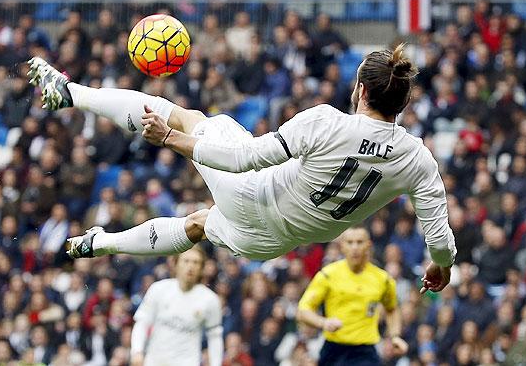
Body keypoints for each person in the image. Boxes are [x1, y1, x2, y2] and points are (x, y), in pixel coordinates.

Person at [27, 43, 456, 294]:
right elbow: (440, 242)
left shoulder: (327, 121)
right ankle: (101, 244)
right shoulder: (417, 159)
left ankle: (70, 93)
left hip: (251, 193)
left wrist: (174, 140)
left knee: (187, 118)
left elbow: (245, 159)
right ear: (404, 103)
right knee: (196, 224)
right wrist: (441, 267)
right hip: (271, 243)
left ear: (360, 89)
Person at [296, 226, 408, 365]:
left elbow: (392, 308)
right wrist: (323, 322)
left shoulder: (382, 279)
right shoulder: (328, 275)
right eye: (350, 242)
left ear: (368, 245)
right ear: (342, 246)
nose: (355, 247)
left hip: (364, 352)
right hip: (333, 349)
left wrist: (395, 336)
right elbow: (303, 311)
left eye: (360, 242)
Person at [130, 246, 223, 366]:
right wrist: (137, 352)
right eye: (186, 261)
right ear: (176, 263)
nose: (191, 266)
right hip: (154, 361)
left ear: (202, 268)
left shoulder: (210, 300)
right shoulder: (158, 289)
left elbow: (215, 337)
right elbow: (142, 323)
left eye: (196, 262)